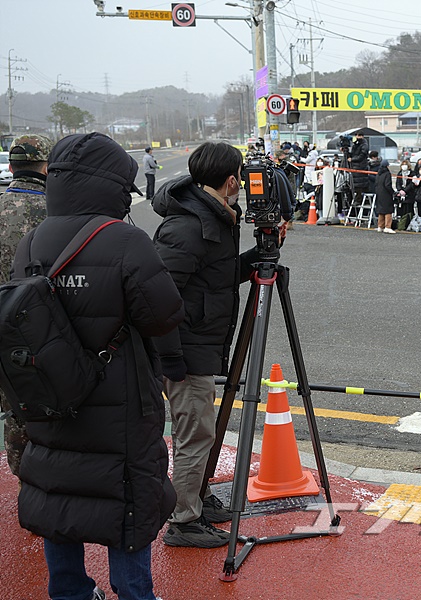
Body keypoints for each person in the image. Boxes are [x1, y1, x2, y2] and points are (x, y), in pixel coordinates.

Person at [12, 132, 184, 600]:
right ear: (110, 185)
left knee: (57, 491)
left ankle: (69, 591)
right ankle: (134, 592)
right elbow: (163, 315)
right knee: (128, 494)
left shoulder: (31, 242)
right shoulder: (125, 240)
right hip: (120, 399)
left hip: (51, 394)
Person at [152, 141, 260, 548]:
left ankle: (197, 498)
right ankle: (184, 521)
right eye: (242, 176)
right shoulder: (189, 225)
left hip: (197, 344)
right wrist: (171, 357)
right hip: (185, 349)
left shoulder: (213, 214)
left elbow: (213, 277)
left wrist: (258, 257)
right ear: (232, 180)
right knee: (195, 436)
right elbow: (159, 297)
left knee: (200, 432)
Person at [0, 134, 53, 479]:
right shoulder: (52, 212)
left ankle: (23, 478)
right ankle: (35, 484)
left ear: (11, 166)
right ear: (46, 168)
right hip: (32, 330)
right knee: (30, 410)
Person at [374, 159, 396, 233]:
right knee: (388, 211)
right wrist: (393, 192)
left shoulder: (378, 173)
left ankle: (380, 226)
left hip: (379, 193)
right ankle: (387, 226)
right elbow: (387, 185)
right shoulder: (387, 174)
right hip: (386, 194)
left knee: (381, 211)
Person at [349, 132, 370, 208]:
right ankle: (356, 199)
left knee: (359, 185)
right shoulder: (356, 145)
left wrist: (352, 159)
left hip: (360, 167)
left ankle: (359, 200)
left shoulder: (364, 145)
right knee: (355, 185)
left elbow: (362, 156)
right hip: (354, 167)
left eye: (358, 136)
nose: (357, 137)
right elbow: (352, 154)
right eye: (356, 136)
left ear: (362, 136)